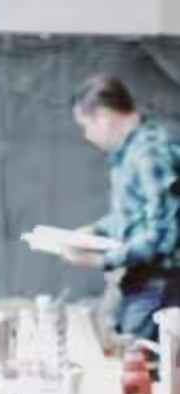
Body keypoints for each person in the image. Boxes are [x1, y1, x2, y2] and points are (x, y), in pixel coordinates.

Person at [65, 74, 180, 345]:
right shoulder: (131, 152)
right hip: (145, 279)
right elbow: (135, 215)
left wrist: (100, 260)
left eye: (86, 126)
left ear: (104, 115)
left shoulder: (148, 154)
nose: (87, 136)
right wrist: (96, 230)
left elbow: (162, 235)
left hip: (161, 282)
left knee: (137, 358)